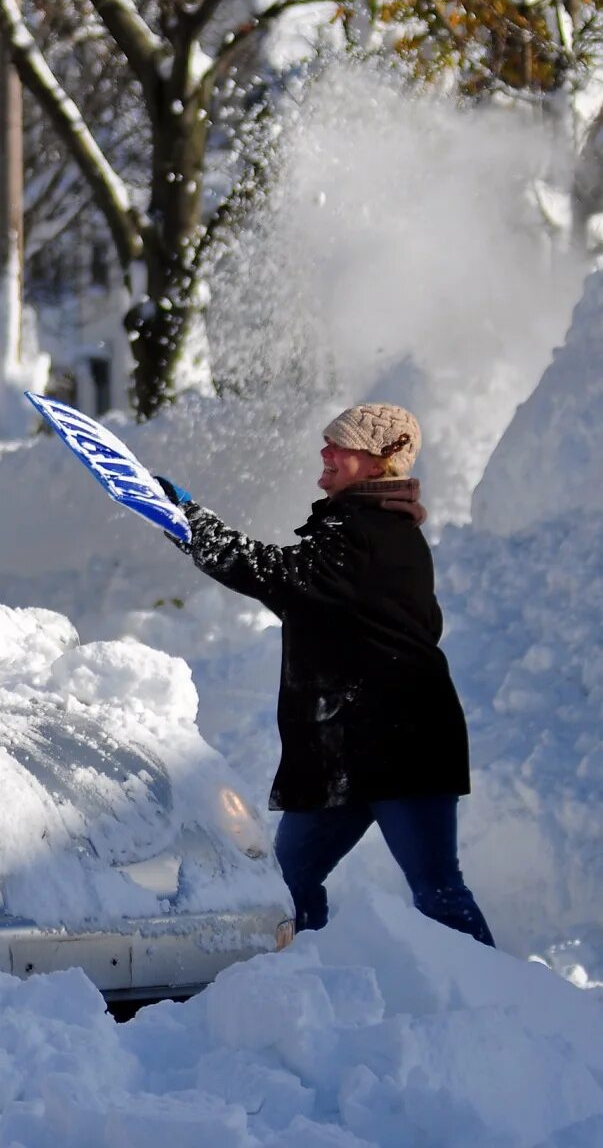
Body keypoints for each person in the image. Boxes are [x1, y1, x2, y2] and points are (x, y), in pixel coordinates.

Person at [157, 402, 493, 945]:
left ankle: (497, 1005)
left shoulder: (373, 532)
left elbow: (276, 576)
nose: (325, 452)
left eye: (341, 446)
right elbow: (302, 598)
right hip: (343, 748)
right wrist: (190, 523)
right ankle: (309, 986)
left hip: (403, 744)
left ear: (380, 460)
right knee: (288, 882)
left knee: (436, 889)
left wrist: (190, 521)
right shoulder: (357, 530)